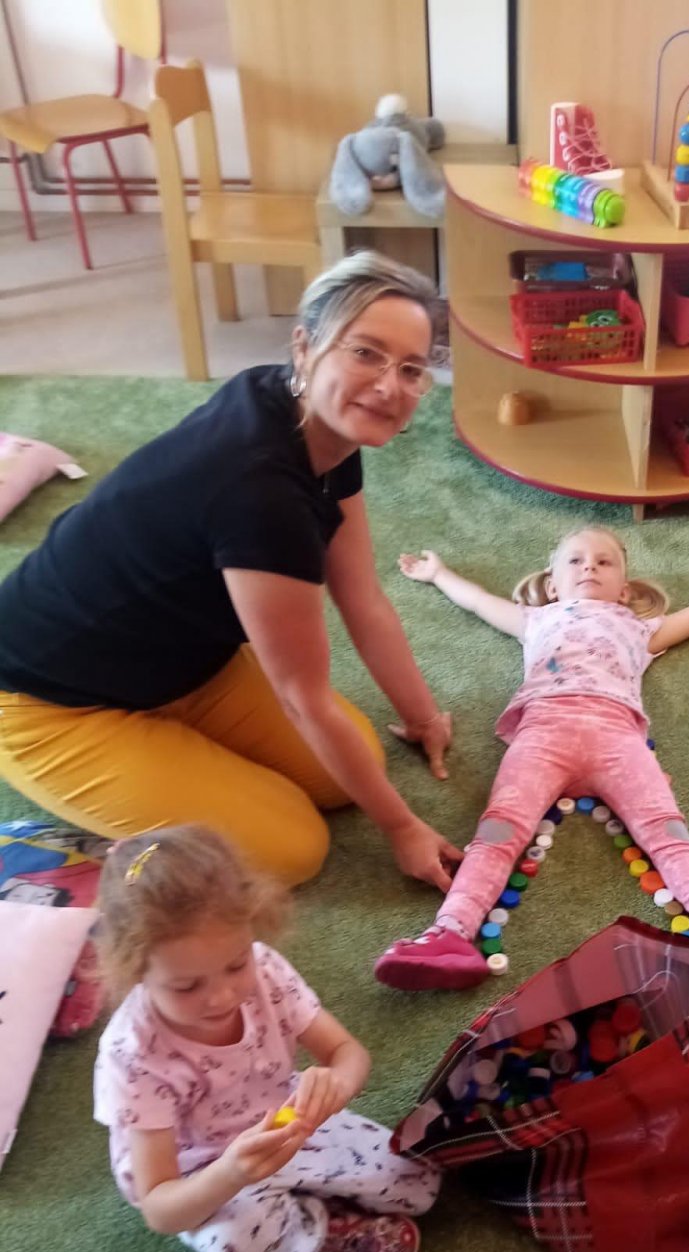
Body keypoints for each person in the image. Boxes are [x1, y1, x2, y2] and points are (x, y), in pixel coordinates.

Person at [0, 252, 462, 890]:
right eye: (365, 353)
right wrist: (404, 827)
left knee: (346, 773)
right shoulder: (260, 492)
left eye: (411, 369)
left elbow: (362, 597)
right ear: (305, 347)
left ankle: (176, 748)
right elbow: (302, 699)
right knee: (292, 848)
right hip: (51, 702)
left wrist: (422, 716)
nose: (389, 386)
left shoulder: (316, 423)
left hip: (189, 663)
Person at [374, 526, 689, 990]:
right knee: (498, 830)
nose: (589, 567)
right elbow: (478, 601)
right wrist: (438, 574)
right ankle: (450, 933)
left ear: (625, 590)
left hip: (617, 738)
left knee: (669, 833)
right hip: (543, 733)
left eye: (603, 561)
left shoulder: (638, 627)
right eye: (575, 560)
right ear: (553, 584)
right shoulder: (536, 618)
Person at [93, 825, 440, 1252]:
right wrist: (232, 1173)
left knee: (421, 1183)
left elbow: (346, 1052)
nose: (222, 997)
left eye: (236, 964)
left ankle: (304, 1193)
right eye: (186, 986)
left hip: (284, 1121)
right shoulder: (134, 1055)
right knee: (238, 1240)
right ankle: (326, 1229)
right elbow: (161, 1209)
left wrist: (335, 1087)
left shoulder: (266, 971)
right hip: (204, 1169)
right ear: (134, 970)